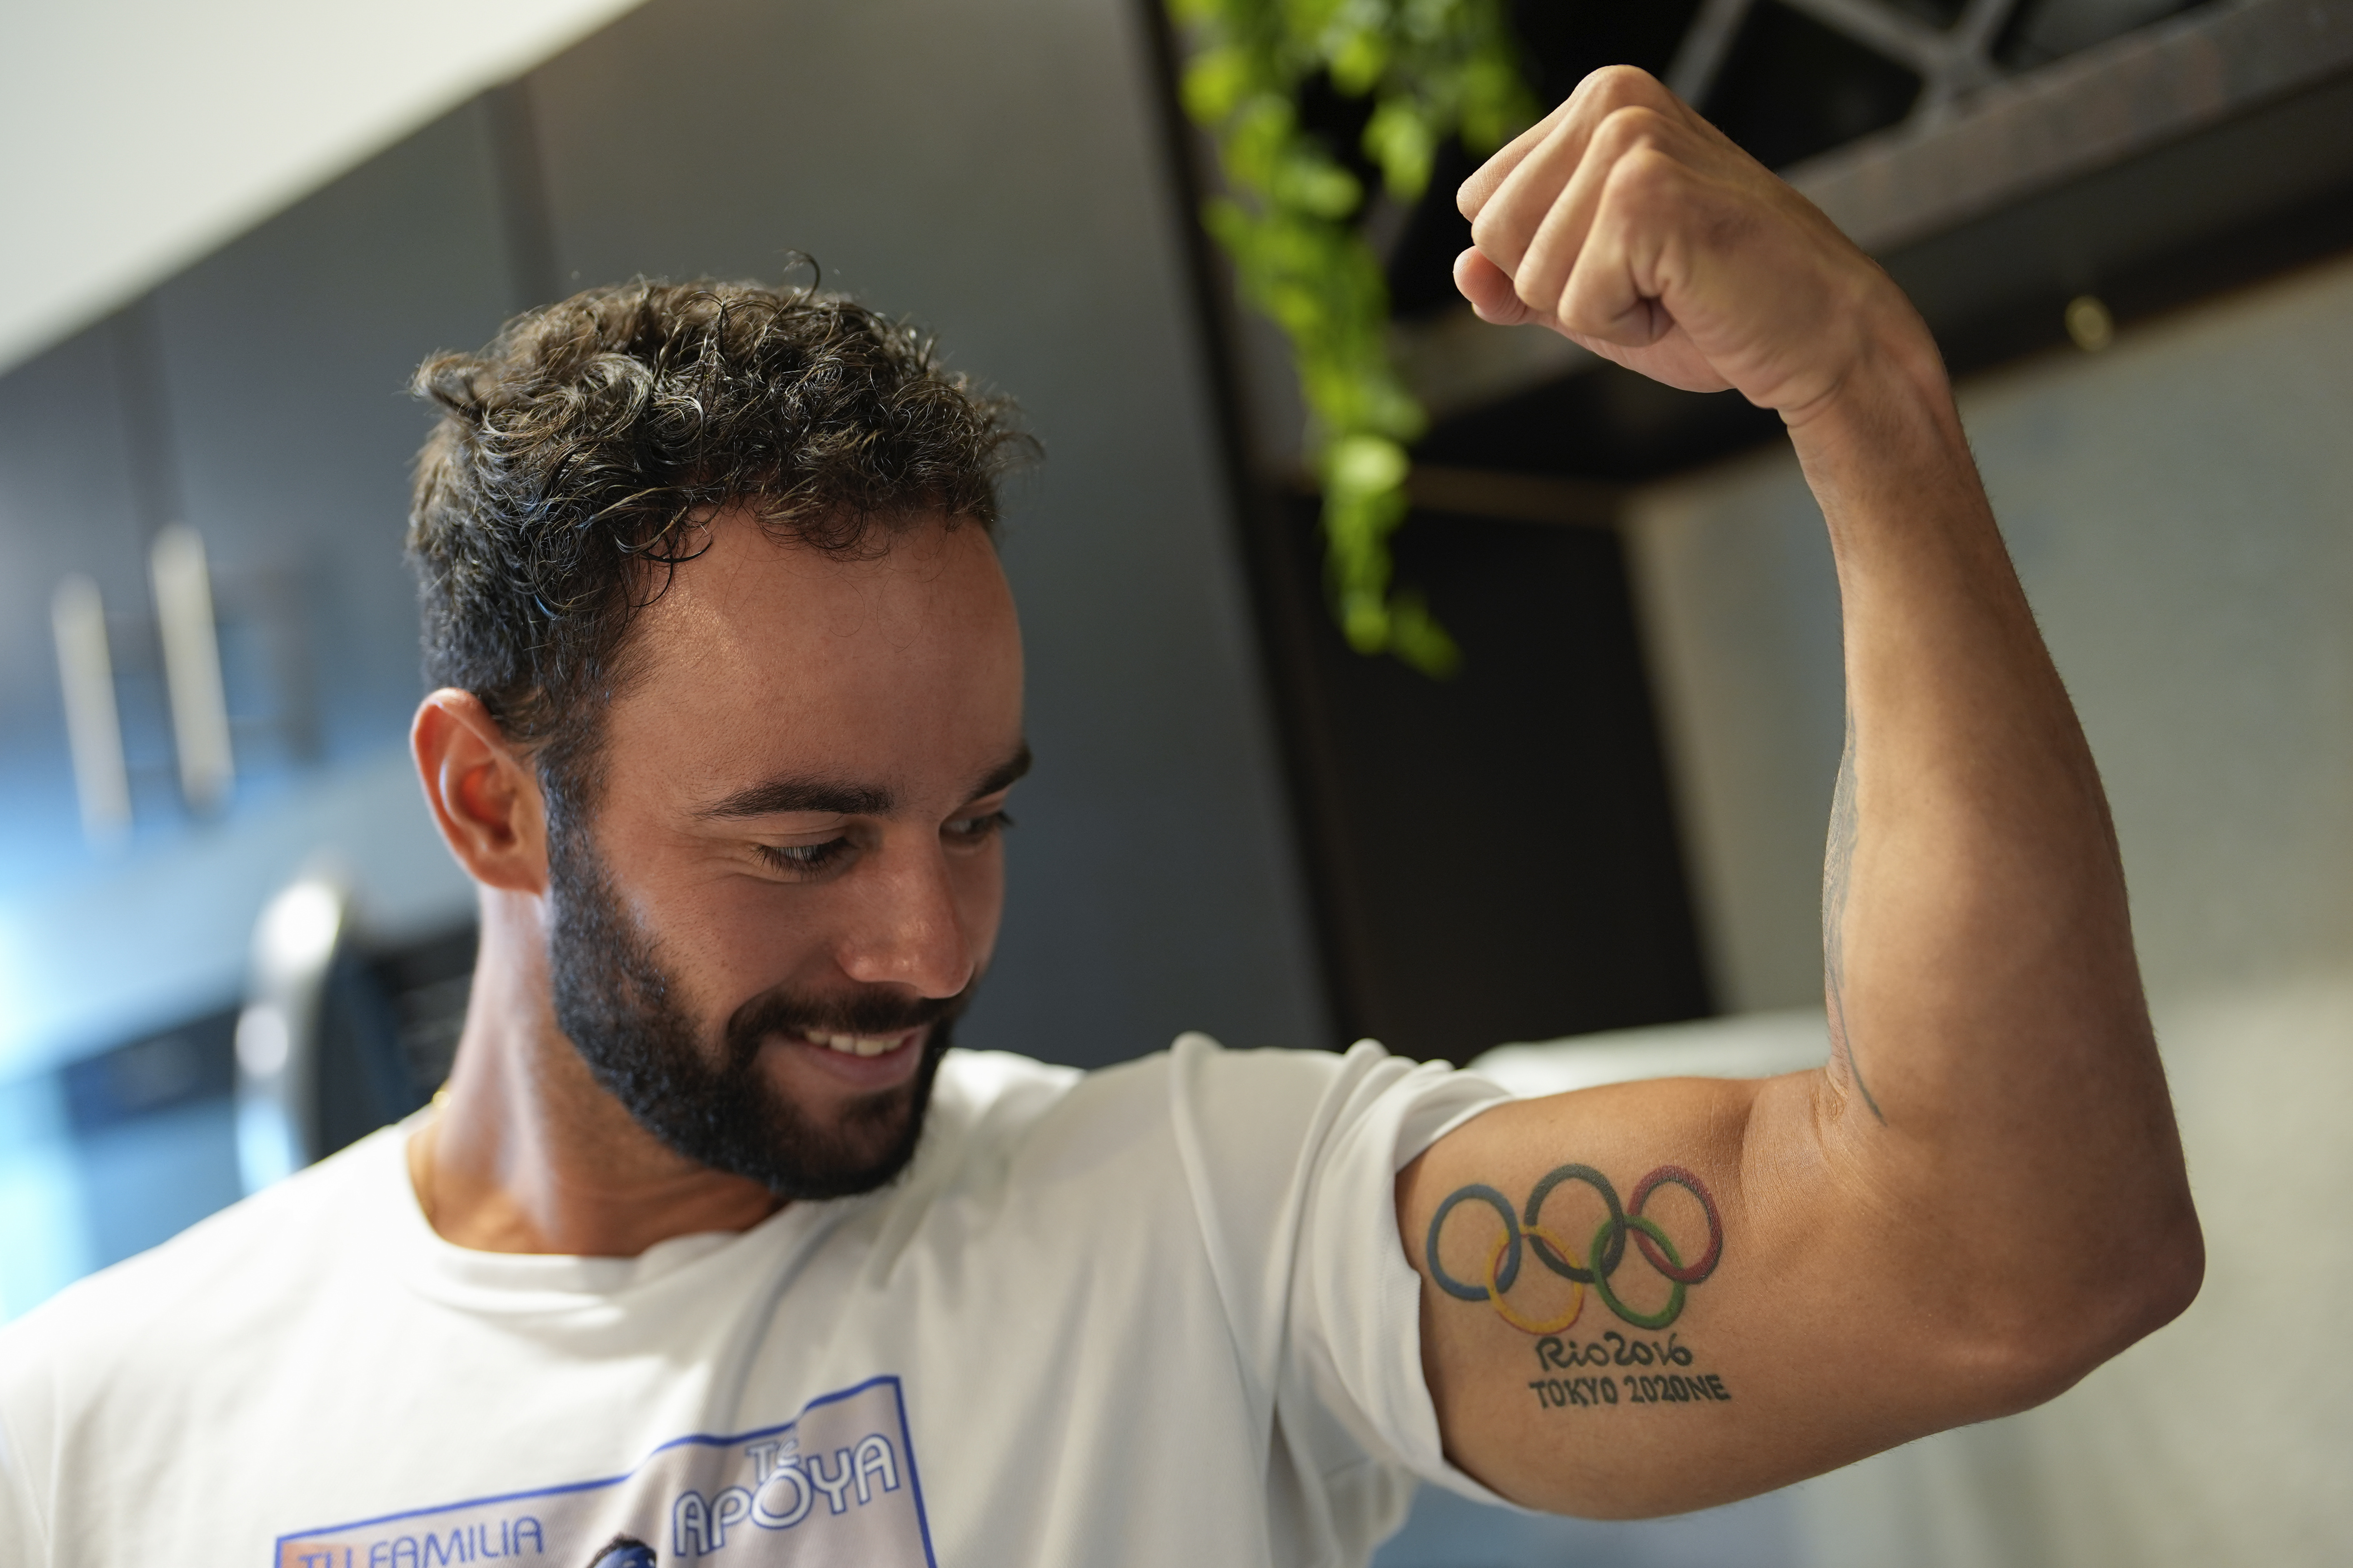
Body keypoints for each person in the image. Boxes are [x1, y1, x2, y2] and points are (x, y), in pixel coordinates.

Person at [0, 67, 2199, 1566]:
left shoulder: (1204, 1233)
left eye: (980, 814)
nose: (935, 939)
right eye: (807, 841)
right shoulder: (87, 1440)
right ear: (493, 799)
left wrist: (1869, 403)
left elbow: (2005, 1255)